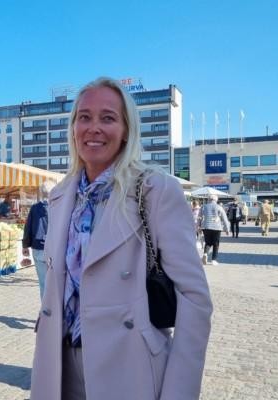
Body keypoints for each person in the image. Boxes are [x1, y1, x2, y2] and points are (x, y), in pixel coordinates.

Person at [30, 78, 213, 400]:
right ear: (73, 129)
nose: (94, 127)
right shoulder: (61, 195)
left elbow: (194, 297)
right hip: (61, 364)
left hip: (130, 365)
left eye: (108, 118)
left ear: (126, 130)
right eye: (84, 117)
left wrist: (179, 391)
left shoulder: (155, 189)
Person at [22, 180, 55, 300]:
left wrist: (25, 246)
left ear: (41, 192)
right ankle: (57, 313)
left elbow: (28, 228)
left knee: (43, 283)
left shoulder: (35, 208)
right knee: (57, 283)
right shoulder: (59, 207)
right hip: (55, 249)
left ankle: (46, 312)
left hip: (38, 248)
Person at [198, 194, 230, 265]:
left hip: (206, 226)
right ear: (216, 200)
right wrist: (227, 229)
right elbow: (225, 219)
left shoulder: (203, 207)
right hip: (217, 227)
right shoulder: (219, 207)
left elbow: (199, 217)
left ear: (209, 199)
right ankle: (213, 260)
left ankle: (205, 254)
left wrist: (198, 227)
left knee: (208, 242)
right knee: (216, 244)